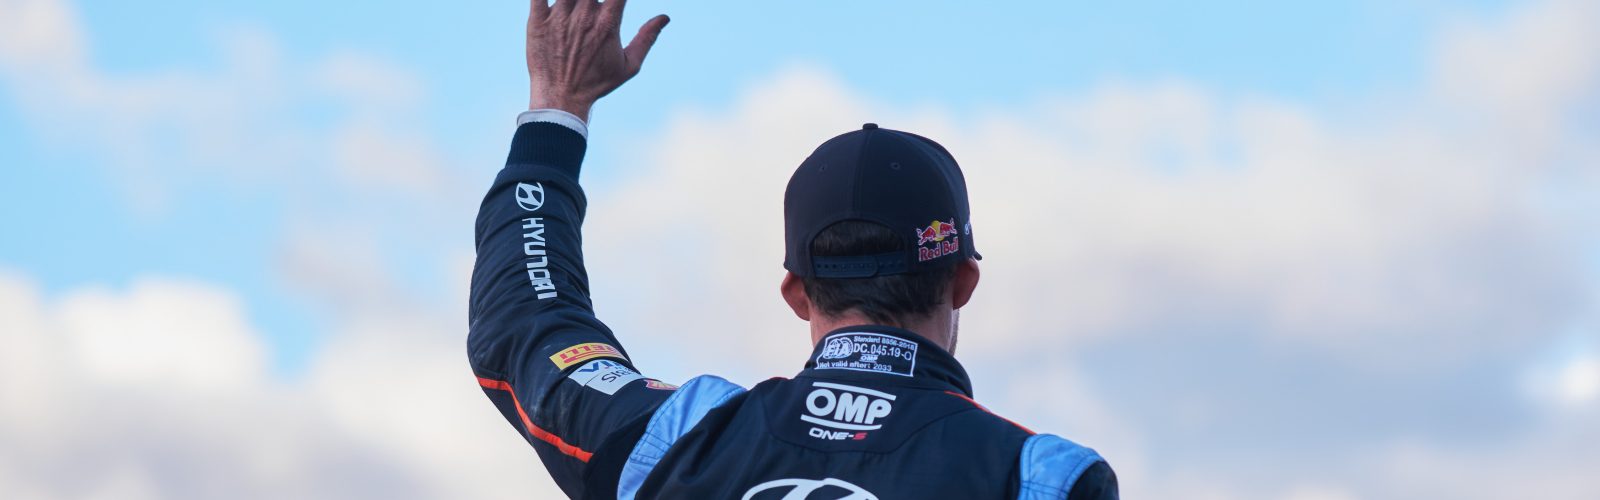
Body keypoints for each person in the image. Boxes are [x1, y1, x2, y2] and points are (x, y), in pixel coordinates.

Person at [467, 1, 1118, 498]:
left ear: (797, 292)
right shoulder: (1040, 477)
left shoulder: (683, 439)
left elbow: (524, 324)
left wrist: (559, 108)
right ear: (962, 281)